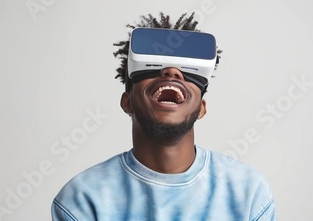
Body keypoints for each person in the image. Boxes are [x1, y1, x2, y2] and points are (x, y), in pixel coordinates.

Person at [51, 12, 276, 220]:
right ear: (127, 102)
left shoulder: (249, 194)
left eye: (187, 72)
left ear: (201, 108)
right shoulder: (83, 199)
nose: (171, 72)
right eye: (153, 66)